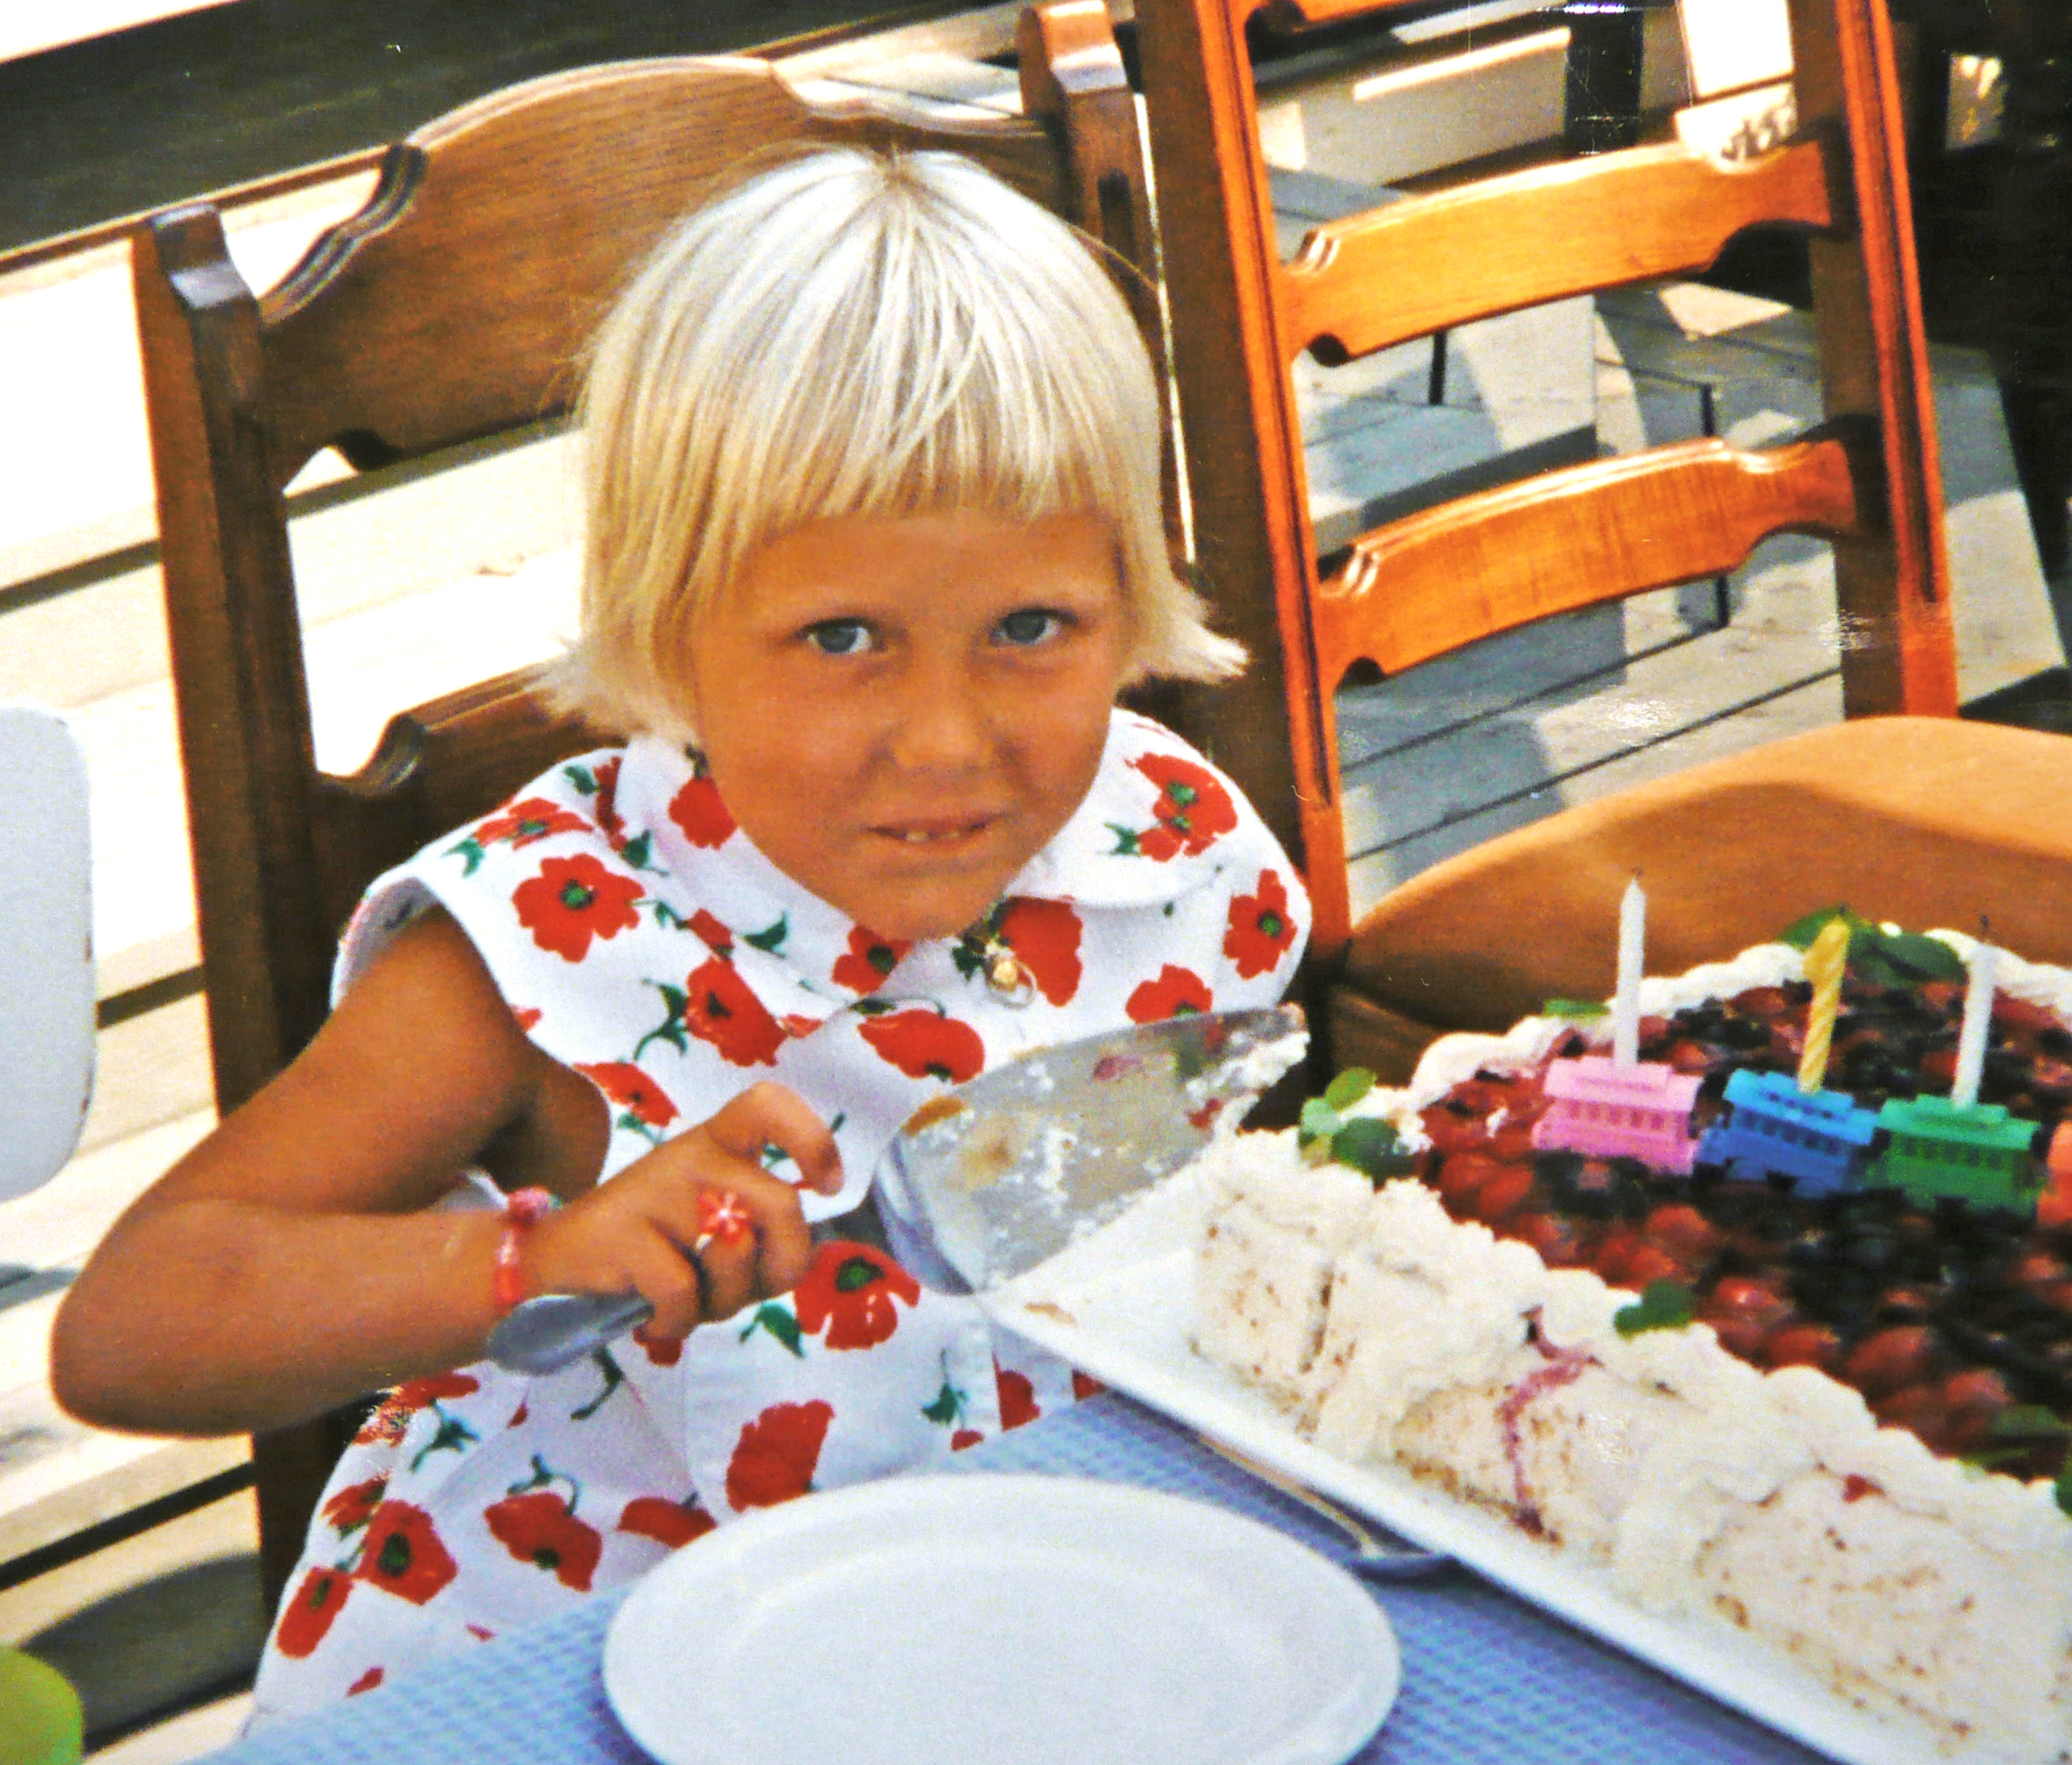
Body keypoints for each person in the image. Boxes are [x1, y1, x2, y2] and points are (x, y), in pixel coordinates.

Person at [51, 148, 1306, 1721]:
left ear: (1128, 601)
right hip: (555, 1674)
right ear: (667, 623)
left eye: (1030, 628)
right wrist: (528, 1261)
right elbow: (132, 1325)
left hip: (1013, 1629)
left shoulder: (1168, 852)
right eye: (841, 638)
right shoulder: (547, 940)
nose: (946, 740)